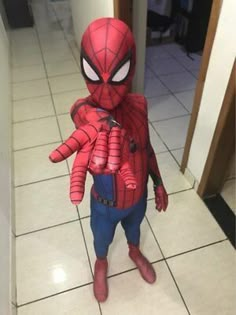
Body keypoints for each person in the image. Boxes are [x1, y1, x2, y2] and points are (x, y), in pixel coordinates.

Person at [49, 17, 168, 302]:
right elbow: (80, 109)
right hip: (104, 206)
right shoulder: (85, 112)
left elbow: (148, 148)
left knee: (135, 229)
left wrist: (159, 183)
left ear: (131, 65)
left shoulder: (139, 106)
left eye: (116, 74)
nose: (105, 88)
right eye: (94, 74)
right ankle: (100, 263)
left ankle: (134, 251)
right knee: (101, 241)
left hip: (137, 198)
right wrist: (101, 122)